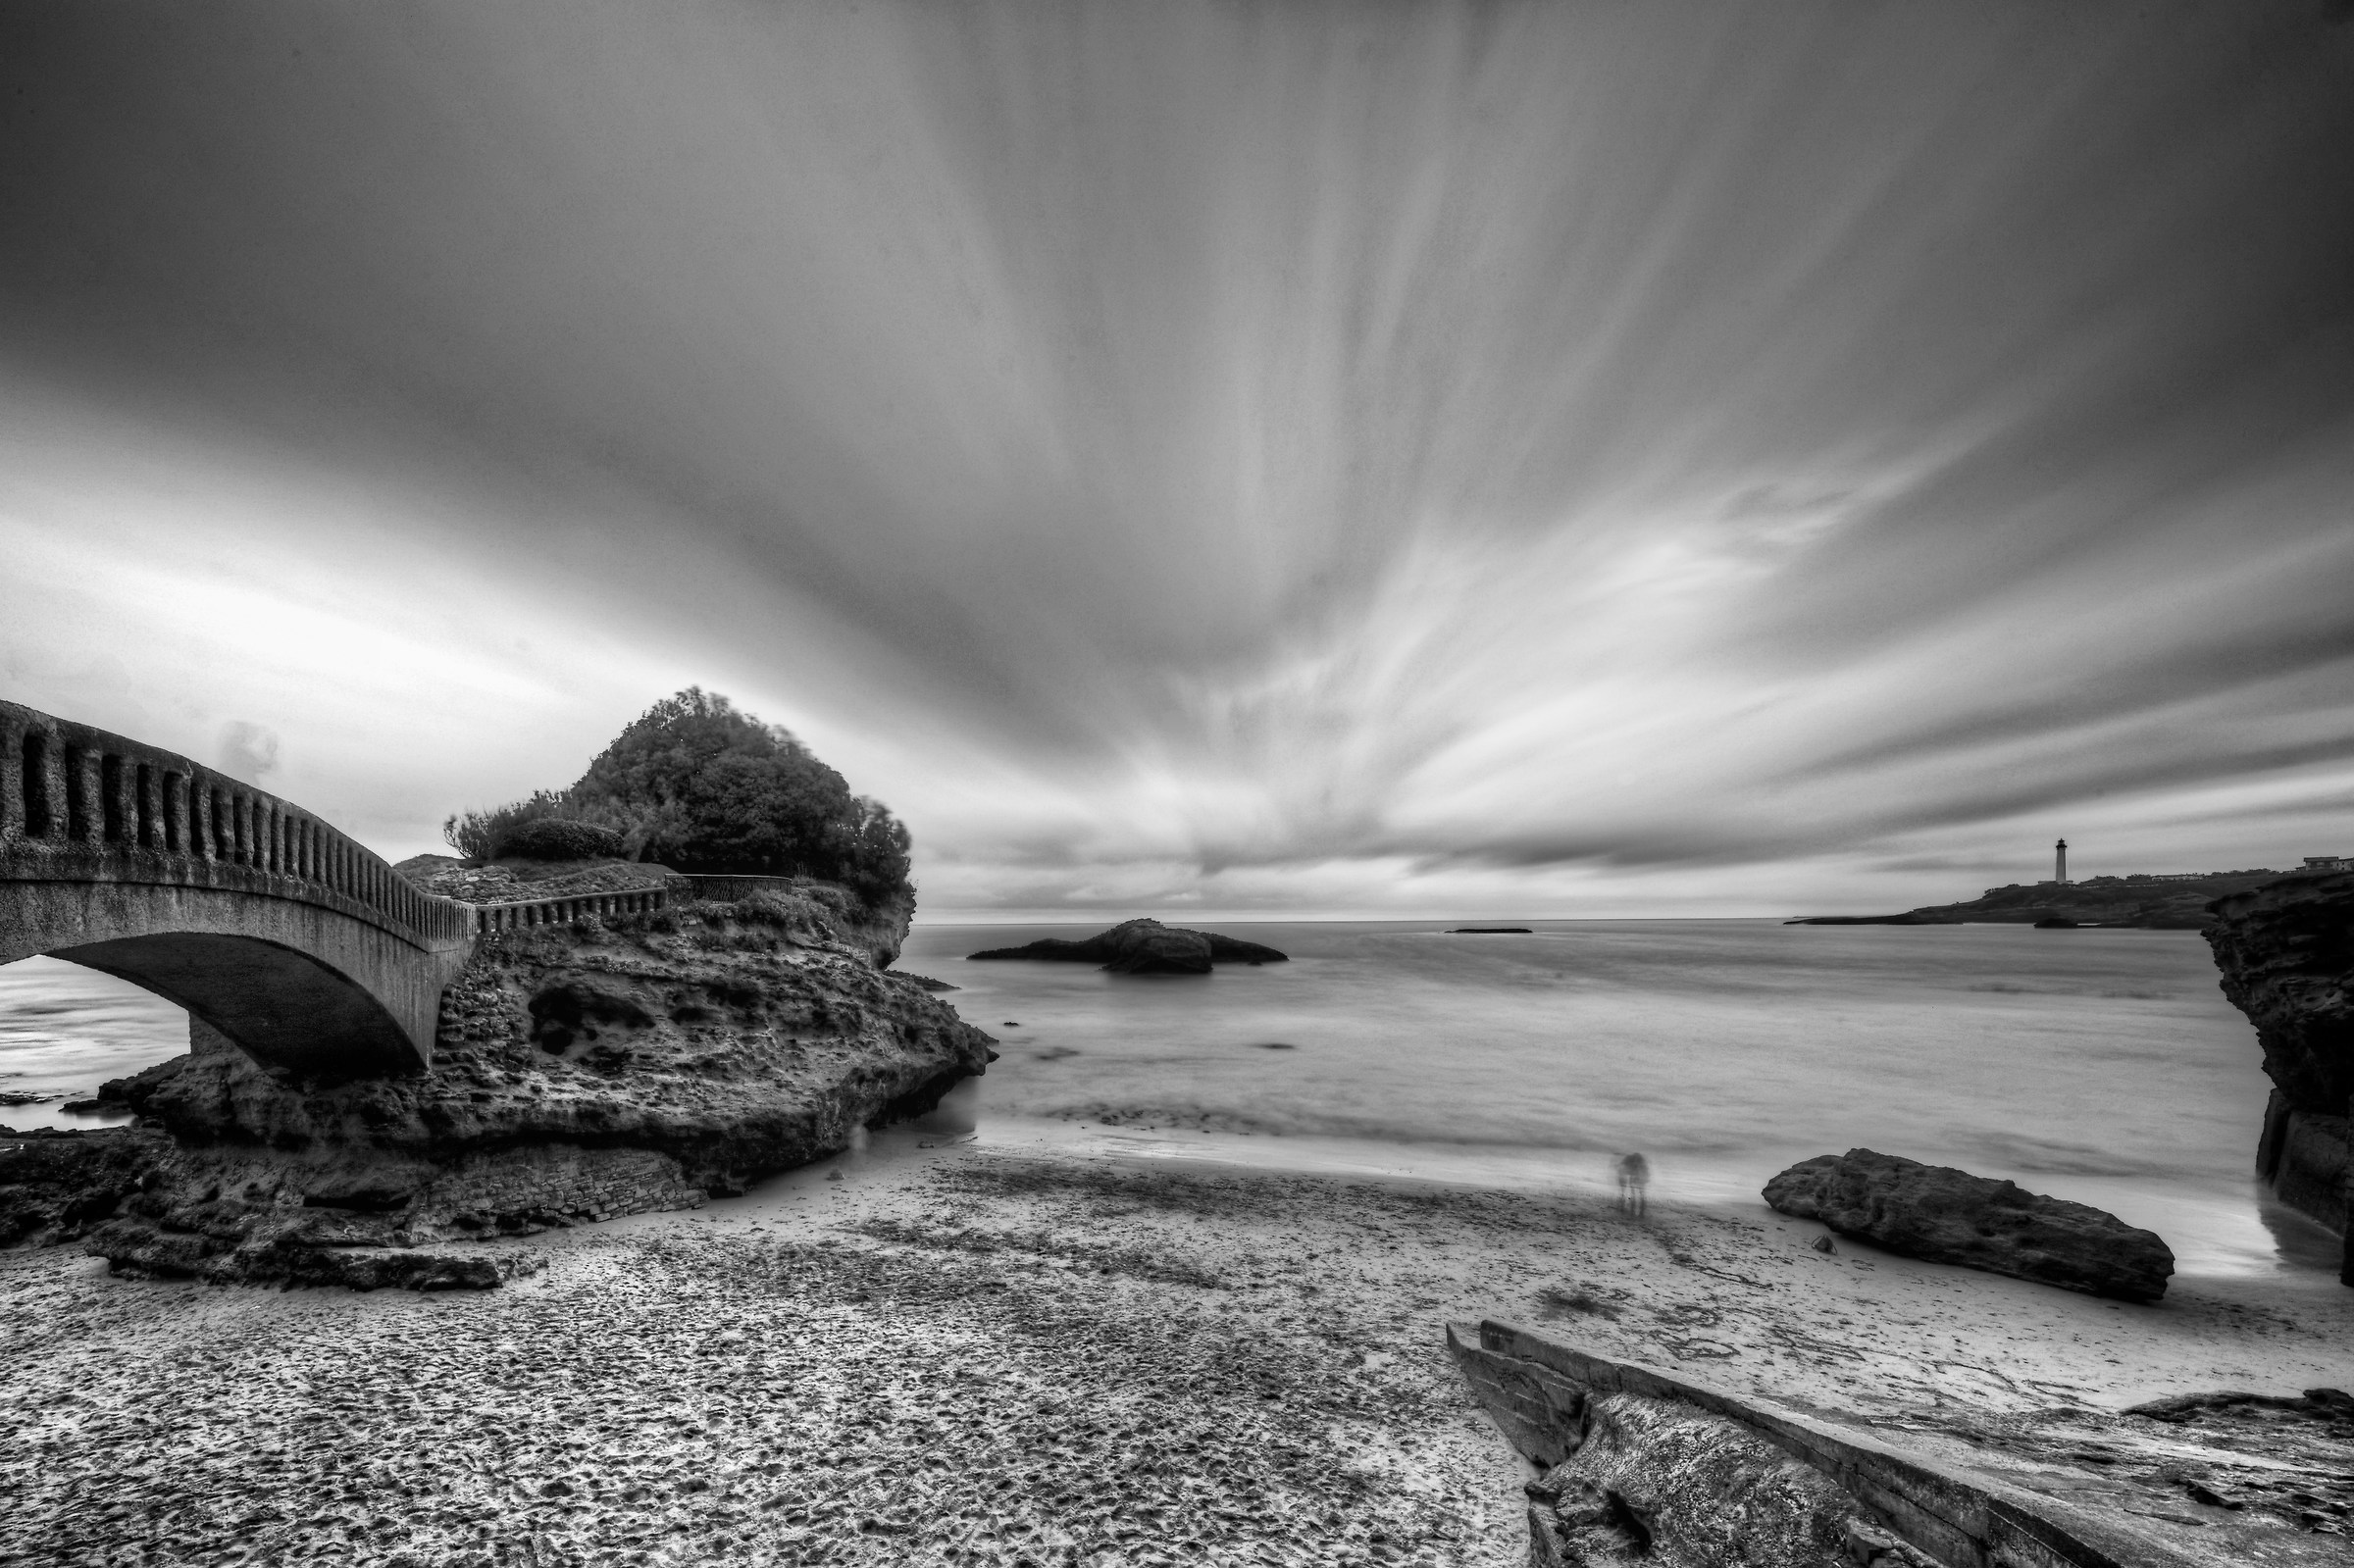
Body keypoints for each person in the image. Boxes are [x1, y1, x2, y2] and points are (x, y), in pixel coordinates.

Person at [1614, 1151, 1650, 1218]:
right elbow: (1646, 1173)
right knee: (1641, 1195)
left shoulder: (1630, 1160)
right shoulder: (1641, 1161)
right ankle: (1640, 1213)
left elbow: (1624, 1167)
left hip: (1636, 1177)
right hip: (1640, 1178)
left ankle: (1632, 1211)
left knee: (1633, 1194)